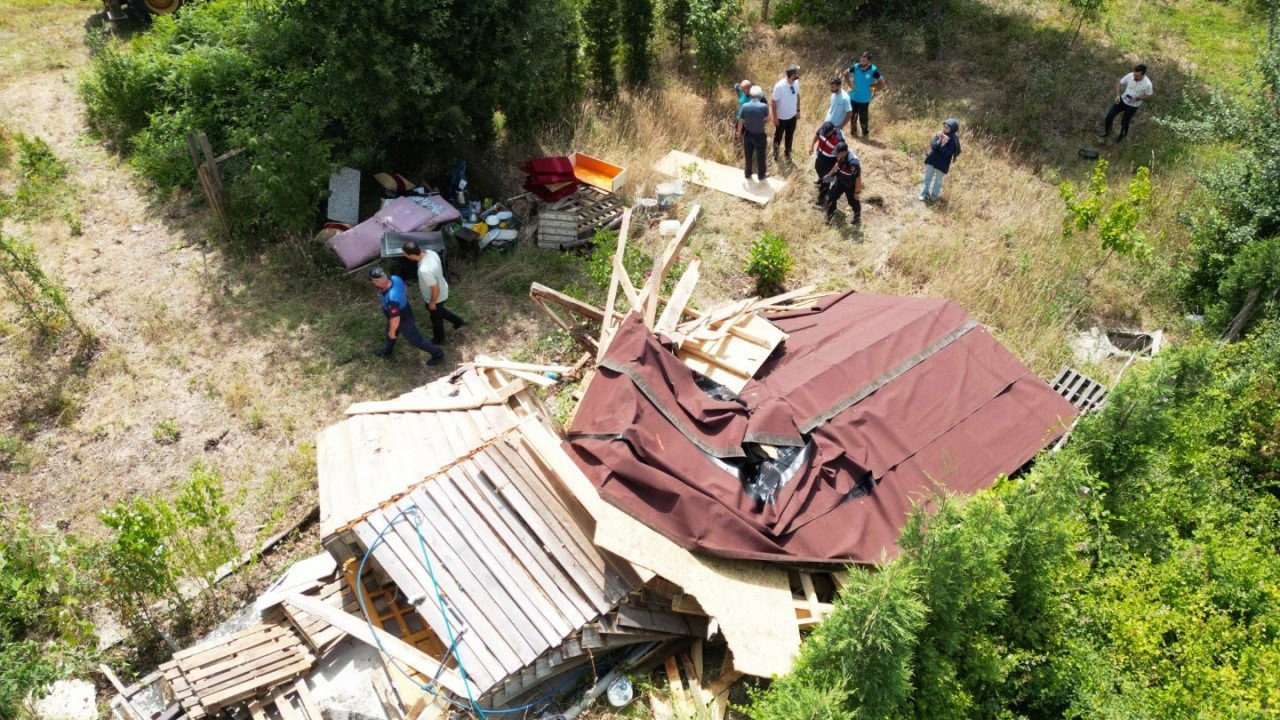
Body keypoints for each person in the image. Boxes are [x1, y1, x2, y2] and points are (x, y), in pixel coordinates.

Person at [368, 266, 444, 365]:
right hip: (403, 310)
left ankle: (438, 354)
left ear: (378, 281)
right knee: (389, 331)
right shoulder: (395, 278)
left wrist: (392, 330)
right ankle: (387, 351)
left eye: (372, 281)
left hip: (403, 319)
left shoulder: (392, 297)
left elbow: (395, 319)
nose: (372, 283)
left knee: (416, 339)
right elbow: (405, 288)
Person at [401, 240, 466, 345]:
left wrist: (432, 302)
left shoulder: (424, 270)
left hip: (436, 297)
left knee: (436, 319)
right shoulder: (431, 253)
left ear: (412, 255)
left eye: (405, 254)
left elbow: (435, 288)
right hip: (443, 287)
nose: (405, 256)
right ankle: (458, 321)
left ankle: (439, 339)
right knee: (439, 311)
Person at [1098, 64, 1154, 144]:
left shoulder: (1148, 84)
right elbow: (1119, 84)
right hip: (1122, 100)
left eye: (1137, 75)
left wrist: (1138, 98)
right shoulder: (1130, 75)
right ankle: (1107, 132)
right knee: (1109, 116)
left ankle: (1121, 137)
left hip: (1133, 106)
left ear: (1143, 75)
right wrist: (1117, 95)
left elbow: (1149, 96)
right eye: (1134, 74)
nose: (1135, 76)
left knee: (1124, 122)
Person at [843, 52, 886, 138]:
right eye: (861, 60)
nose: (861, 63)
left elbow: (882, 83)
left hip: (864, 99)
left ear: (869, 62)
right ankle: (853, 133)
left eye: (864, 61)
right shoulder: (856, 67)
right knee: (853, 116)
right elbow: (845, 73)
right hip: (854, 97)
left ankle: (865, 134)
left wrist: (874, 87)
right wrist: (850, 84)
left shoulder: (873, 70)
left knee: (863, 118)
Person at [920, 118, 961, 201]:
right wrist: (939, 140)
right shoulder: (940, 134)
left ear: (952, 129)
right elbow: (933, 147)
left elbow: (946, 154)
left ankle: (934, 196)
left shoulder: (953, 140)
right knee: (927, 178)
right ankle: (923, 194)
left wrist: (943, 144)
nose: (944, 129)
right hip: (932, 159)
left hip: (943, 163)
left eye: (947, 128)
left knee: (938, 181)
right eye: (944, 127)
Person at [822, 142, 862, 224]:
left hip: (850, 184)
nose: (836, 154)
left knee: (853, 201)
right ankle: (830, 216)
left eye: (837, 153)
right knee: (831, 197)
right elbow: (836, 165)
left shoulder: (853, 163)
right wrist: (829, 175)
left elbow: (858, 178)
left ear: (843, 152)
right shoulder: (841, 156)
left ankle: (857, 217)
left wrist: (857, 192)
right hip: (840, 181)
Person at [737, 85, 770, 181]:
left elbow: (740, 121)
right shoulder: (763, 106)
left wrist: (739, 134)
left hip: (747, 135)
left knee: (748, 155)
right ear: (760, 95)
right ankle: (761, 174)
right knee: (761, 155)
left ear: (751, 95)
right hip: (759, 135)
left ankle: (747, 173)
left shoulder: (744, 106)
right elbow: (767, 119)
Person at [809, 121, 845, 204]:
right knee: (818, 169)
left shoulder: (839, 139)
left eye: (827, 134)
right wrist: (811, 146)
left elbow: (841, 155)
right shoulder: (823, 129)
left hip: (830, 161)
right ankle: (821, 179)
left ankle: (822, 197)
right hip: (820, 157)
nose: (824, 135)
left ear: (832, 131)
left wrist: (834, 169)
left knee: (826, 180)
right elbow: (817, 135)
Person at [771, 65, 801, 161]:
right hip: (781, 118)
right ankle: (775, 154)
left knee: (790, 136)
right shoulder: (780, 86)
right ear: (792, 75)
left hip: (792, 117)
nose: (798, 74)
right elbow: (773, 101)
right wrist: (775, 117)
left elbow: (797, 95)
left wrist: (798, 110)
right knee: (778, 137)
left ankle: (787, 154)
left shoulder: (796, 82)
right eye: (796, 73)